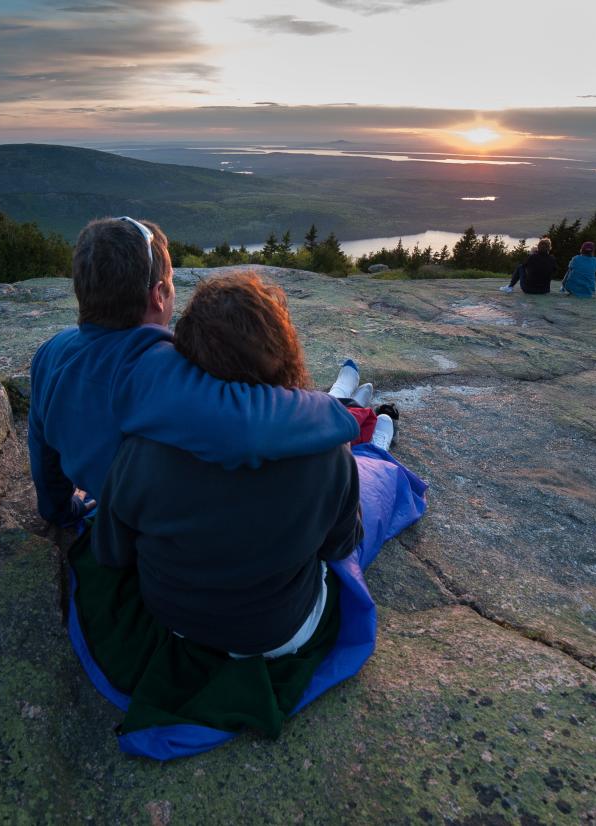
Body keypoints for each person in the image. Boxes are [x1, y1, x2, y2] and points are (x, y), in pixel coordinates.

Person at [72, 271, 427, 758]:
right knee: (372, 493)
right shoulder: (328, 456)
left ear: (187, 355)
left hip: (175, 620)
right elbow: (340, 547)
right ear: (281, 349)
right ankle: (378, 447)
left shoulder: (144, 449)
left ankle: (361, 420)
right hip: (282, 631)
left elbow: (111, 552)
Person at [27, 216, 359, 534]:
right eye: (170, 283)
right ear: (158, 296)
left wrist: (59, 510)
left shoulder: (51, 353)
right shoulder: (157, 371)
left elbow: (43, 452)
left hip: (119, 509)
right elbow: (248, 423)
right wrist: (331, 410)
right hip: (165, 528)